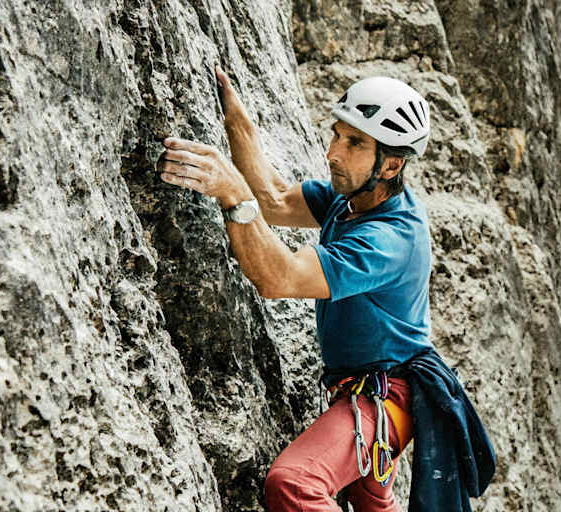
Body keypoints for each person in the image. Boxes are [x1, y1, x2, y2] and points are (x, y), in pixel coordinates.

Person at [157, 66, 494, 511]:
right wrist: (237, 125)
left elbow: (280, 278)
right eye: (337, 134)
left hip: (385, 395)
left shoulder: (388, 240)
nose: (333, 153)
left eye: (355, 144)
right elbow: (275, 199)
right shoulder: (353, 200)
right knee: (368, 501)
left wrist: (234, 195)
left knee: (295, 484)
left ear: (391, 163)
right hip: (371, 389)